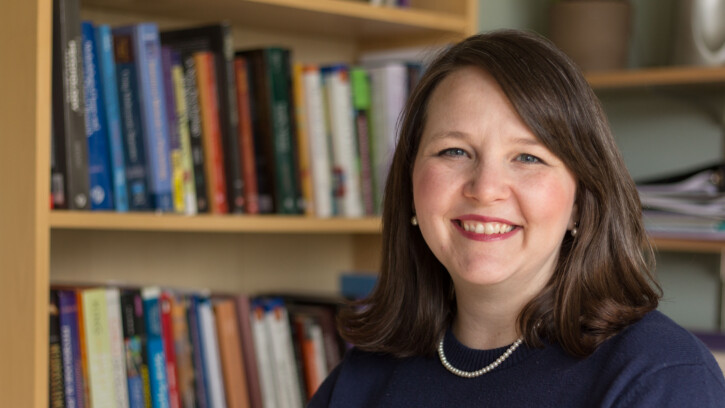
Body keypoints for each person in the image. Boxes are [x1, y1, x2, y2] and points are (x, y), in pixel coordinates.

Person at [308, 29, 725, 407]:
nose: (485, 187)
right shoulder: (365, 373)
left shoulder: (660, 377)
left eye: (528, 157)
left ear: (580, 201)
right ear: (411, 185)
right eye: (454, 151)